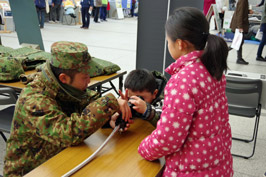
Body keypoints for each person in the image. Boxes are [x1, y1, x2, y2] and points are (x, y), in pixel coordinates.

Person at [3, 41, 131, 177]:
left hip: (57, 161)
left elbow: (87, 101)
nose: (89, 81)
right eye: (85, 77)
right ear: (63, 78)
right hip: (31, 171)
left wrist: (109, 118)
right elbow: (70, 133)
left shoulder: (62, 86)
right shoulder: (34, 101)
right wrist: (109, 103)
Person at [138, 7, 233, 177]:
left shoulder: (183, 80)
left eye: (168, 41)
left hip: (189, 170)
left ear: (180, 43)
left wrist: (144, 148)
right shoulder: (212, 67)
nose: (168, 45)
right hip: (218, 164)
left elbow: (168, 139)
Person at [230, 0, 249, 65]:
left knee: (238, 42)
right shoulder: (243, 0)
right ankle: (239, 58)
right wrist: (240, 26)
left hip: (239, 25)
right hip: (239, 25)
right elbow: (240, 14)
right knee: (238, 42)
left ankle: (239, 58)